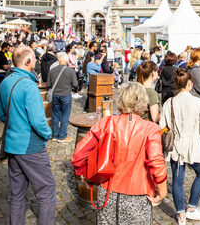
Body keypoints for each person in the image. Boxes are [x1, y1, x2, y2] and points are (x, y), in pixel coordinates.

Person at [72, 82, 168, 225]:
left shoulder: (106, 122)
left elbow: (79, 153)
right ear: (143, 103)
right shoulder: (151, 129)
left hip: (108, 192)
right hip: (138, 195)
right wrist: (162, 190)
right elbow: (156, 161)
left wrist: (84, 175)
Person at [0, 46, 55, 225]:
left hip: (12, 145)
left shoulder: (5, 82)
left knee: (17, 194)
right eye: (35, 60)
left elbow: (2, 115)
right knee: (46, 191)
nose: (37, 63)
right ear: (28, 61)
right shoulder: (29, 86)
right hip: (30, 147)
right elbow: (38, 121)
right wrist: (48, 133)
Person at [159, 68, 200, 225]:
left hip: (176, 144)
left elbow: (162, 126)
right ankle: (191, 207)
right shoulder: (197, 102)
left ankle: (181, 214)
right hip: (193, 143)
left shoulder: (170, 102)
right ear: (190, 84)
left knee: (177, 179)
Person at [47, 52, 78, 143]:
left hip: (55, 95)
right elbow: (75, 84)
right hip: (66, 94)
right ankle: (62, 136)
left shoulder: (52, 70)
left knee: (55, 115)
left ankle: (55, 135)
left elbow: (49, 84)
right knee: (65, 115)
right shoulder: (70, 71)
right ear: (66, 60)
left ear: (59, 60)